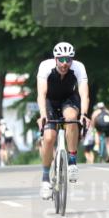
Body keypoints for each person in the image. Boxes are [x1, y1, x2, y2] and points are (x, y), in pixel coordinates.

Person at [37, 41, 90, 199]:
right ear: (55, 59)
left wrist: (85, 114)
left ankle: (72, 162)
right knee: (49, 137)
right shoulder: (45, 67)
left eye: (68, 59)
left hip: (68, 99)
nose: (65, 63)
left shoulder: (79, 67)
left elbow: (84, 94)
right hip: (50, 101)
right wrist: (42, 115)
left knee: (72, 119)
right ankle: (45, 179)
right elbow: (41, 94)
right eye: (61, 59)